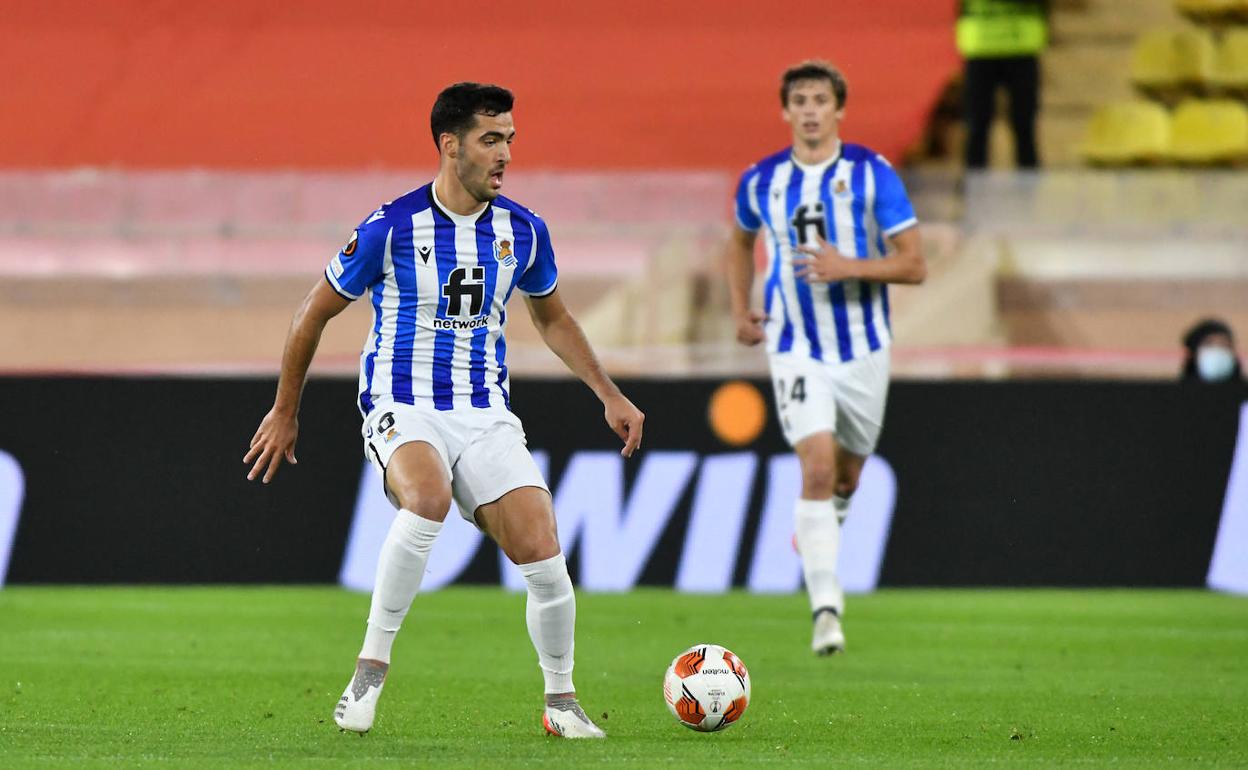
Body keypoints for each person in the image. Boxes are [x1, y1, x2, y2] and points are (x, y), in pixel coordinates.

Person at [243, 82, 644, 739]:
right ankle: (369, 674)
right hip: (401, 403)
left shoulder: (524, 231)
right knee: (425, 499)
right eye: (491, 140)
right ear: (450, 145)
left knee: (543, 549)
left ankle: (562, 702)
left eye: (510, 139)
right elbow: (310, 314)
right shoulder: (391, 226)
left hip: (484, 411)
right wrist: (287, 409)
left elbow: (555, 318)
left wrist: (608, 392)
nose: (505, 153)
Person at [725, 60, 926, 655]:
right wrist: (741, 308)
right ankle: (826, 610)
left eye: (821, 99)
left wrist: (850, 266)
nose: (810, 110)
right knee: (815, 467)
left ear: (840, 109)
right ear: (785, 111)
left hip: (863, 346)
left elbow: (914, 264)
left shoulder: (871, 174)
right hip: (794, 346)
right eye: (800, 100)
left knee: (846, 475)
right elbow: (737, 242)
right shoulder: (760, 181)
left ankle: (815, 535)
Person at [957, 0, 1048, 169]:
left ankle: (1028, 189)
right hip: (982, 45)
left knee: (1023, 124)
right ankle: (974, 189)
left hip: (1021, 44)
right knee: (977, 124)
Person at [1181, 318, 1244, 383]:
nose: (1218, 350)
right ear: (1192, 353)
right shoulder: (1177, 391)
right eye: (1209, 344)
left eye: (1224, 345)